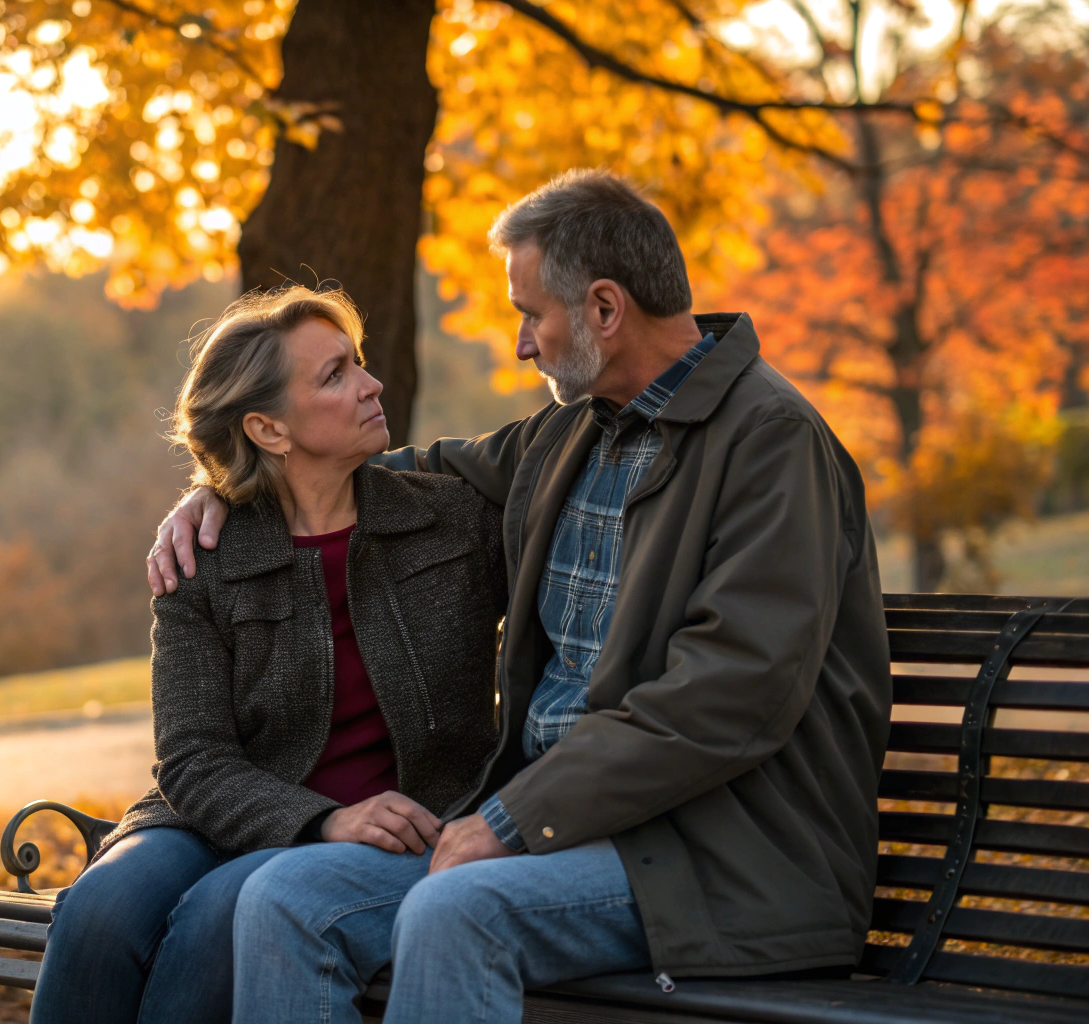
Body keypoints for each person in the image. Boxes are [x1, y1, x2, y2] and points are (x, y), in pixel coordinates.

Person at [148, 169, 893, 1024]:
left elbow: (728, 695)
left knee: (458, 909)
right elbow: (370, 475)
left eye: (531, 315)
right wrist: (232, 490)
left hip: (718, 853)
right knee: (284, 899)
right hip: (556, 832)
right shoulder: (573, 432)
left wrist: (511, 818)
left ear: (604, 311)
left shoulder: (772, 444)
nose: (523, 346)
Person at [29, 286, 507, 1024]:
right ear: (268, 428)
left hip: (397, 830)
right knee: (97, 908)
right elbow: (191, 758)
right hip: (214, 818)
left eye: (358, 363)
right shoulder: (205, 560)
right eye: (336, 375)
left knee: (216, 917)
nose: (371, 384)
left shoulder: (452, 522)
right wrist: (322, 818)